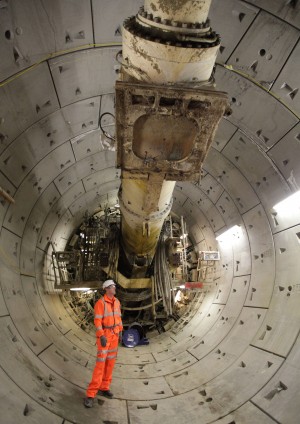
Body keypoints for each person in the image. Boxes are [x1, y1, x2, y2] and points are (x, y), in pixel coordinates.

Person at [84, 279, 123, 408]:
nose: (115, 288)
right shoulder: (101, 303)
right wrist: (101, 335)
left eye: (114, 286)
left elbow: (118, 318)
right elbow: (97, 321)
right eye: (113, 287)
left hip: (114, 336)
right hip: (105, 337)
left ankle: (104, 388)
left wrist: (120, 331)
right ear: (106, 289)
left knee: (110, 363)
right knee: (100, 365)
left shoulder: (117, 302)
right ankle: (91, 394)